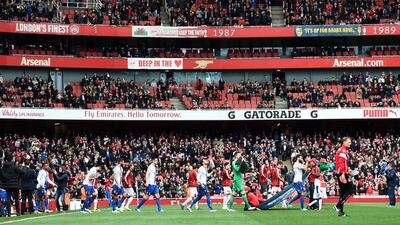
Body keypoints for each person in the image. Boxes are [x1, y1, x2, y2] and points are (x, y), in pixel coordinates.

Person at [334, 137, 355, 217]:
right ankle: (338, 205)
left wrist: (347, 170)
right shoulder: (343, 151)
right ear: (344, 142)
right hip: (342, 173)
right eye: (349, 142)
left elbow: (342, 163)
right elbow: (341, 163)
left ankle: (340, 211)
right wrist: (343, 173)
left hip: (341, 172)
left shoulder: (342, 150)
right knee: (351, 189)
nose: (350, 143)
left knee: (343, 192)